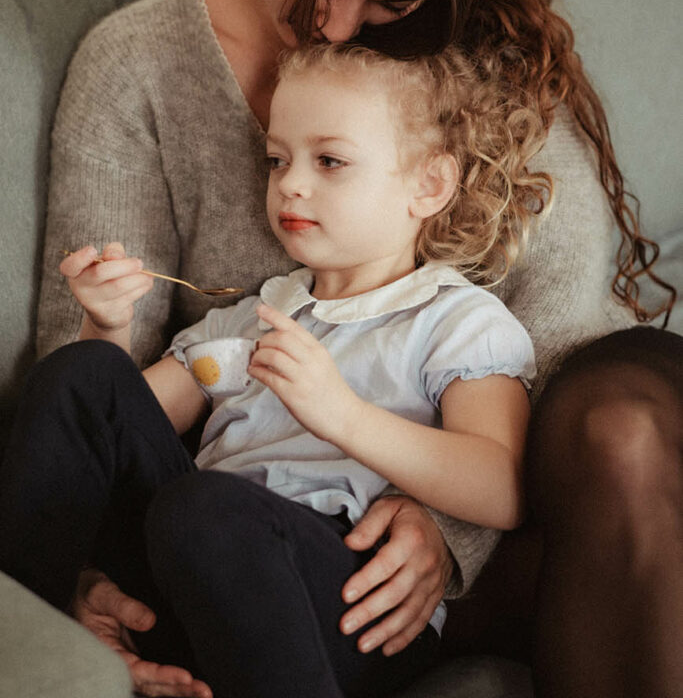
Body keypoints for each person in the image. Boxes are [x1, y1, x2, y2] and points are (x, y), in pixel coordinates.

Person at [34, 0, 680, 697]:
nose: (337, 26)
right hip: (267, 523)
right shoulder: (137, 67)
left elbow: (560, 338)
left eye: (392, 4)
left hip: (490, 473)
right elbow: (94, 384)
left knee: (624, 427)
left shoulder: (473, 53)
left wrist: (442, 528)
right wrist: (77, 576)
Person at [2, 43, 551, 698]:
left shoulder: (457, 322)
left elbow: (501, 488)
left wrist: (343, 415)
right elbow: (108, 425)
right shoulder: (255, 314)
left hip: (338, 601)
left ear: (427, 185)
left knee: (205, 506)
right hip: (181, 572)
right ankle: (34, 639)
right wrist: (106, 326)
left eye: (330, 161)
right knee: (82, 371)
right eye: (277, 159)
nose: (290, 182)